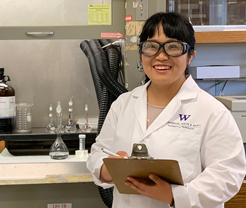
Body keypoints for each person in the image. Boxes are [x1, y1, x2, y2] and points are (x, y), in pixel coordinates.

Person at [86, 12, 246, 208]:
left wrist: (175, 195)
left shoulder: (211, 111)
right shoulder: (123, 104)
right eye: (151, 46)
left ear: (190, 56)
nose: (161, 56)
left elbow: (228, 176)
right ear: (141, 53)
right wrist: (106, 168)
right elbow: (99, 151)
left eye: (173, 47)